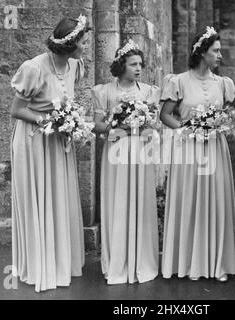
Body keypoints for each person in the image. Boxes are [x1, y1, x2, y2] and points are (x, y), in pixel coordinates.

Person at [10, 15, 90, 292]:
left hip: (58, 142)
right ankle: (40, 264)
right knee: (39, 199)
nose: (85, 46)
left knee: (58, 198)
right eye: (82, 41)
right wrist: (50, 122)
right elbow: (16, 110)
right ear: (68, 43)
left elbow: (67, 101)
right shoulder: (33, 68)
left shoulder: (75, 65)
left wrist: (71, 121)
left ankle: (60, 262)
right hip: (34, 141)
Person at [159, 27, 235, 282]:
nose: (220, 55)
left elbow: (233, 112)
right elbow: (165, 115)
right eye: (216, 50)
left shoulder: (223, 84)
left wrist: (222, 121)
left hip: (215, 147)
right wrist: (185, 128)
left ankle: (217, 261)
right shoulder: (179, 81)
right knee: (190, 199)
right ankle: (188, 260)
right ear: (202, 52)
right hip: (189, 148)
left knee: (216, 199)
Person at [92, 39, 160, 285]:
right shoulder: (105, 92)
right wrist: (116, 122)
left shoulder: (149, 91)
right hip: (116, 152)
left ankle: (141, 259)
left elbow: (154, 122)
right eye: (133, 64)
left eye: (140, 64)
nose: (139, 68)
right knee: (117, 202)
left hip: (141, 151)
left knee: (140, 202)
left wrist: (144, 121)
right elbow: (97, 127)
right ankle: (118, 259)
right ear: (122, 66)